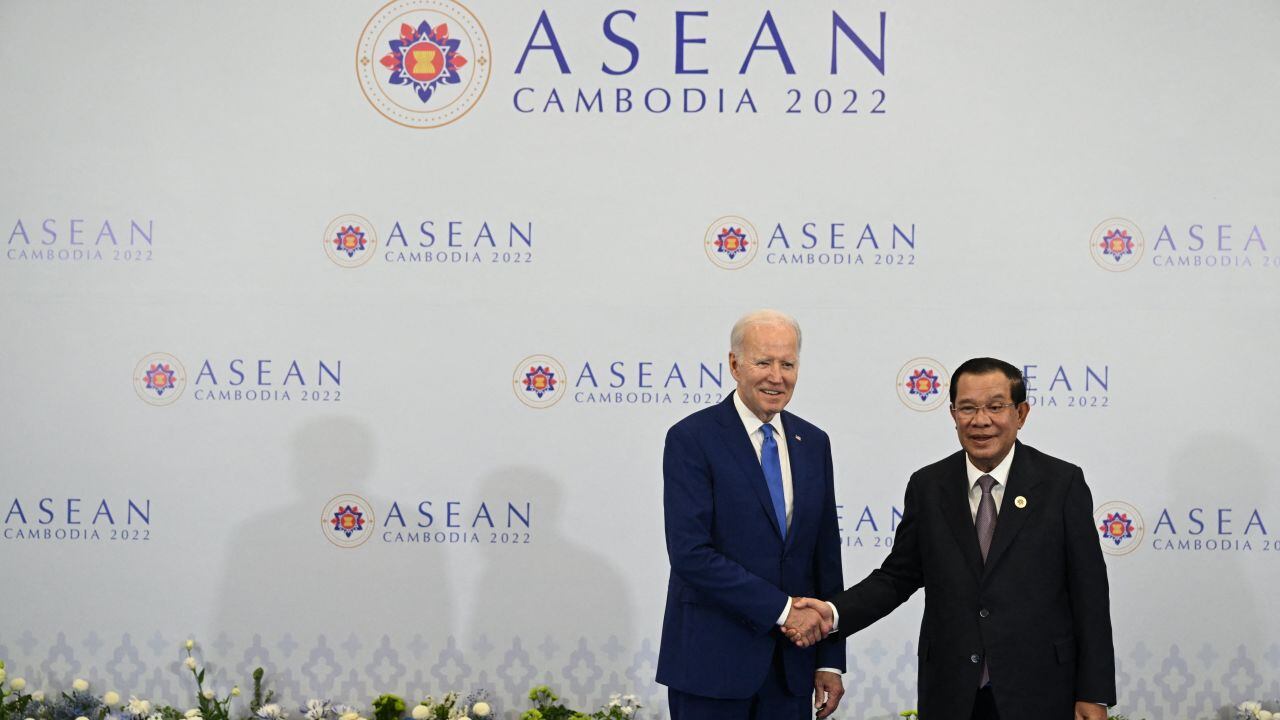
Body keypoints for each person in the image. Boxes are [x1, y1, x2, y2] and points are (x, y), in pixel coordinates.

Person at [791, 357, 1116, 720]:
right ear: (952, 414)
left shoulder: (1061, 484)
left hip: (1040, 689)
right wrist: (833, 613)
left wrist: (1094, 693)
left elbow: (1090, 595)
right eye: (967, 408)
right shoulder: (929, 486)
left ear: (1021, 413)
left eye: (996, 407)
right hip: (952, 691)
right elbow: (897, 577)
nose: (981, 421)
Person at [657, 310, 846, 720]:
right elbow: (691, 553)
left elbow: (825, 557)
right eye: (764, 362)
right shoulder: (692, 439)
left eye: (788, 364)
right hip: (711, 668)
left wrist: (829, 658)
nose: (776, 376)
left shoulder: (814, 442)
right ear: (734, 365)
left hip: (791, 672)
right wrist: (783, 610)